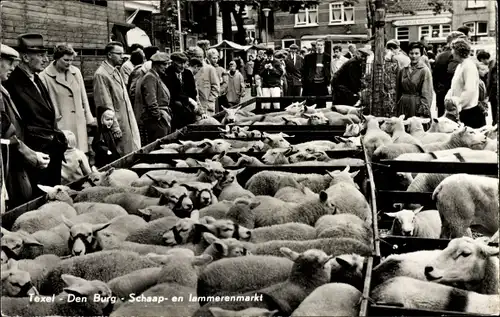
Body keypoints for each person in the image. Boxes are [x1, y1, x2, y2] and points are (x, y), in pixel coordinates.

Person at [5, 33, 67, 192]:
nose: (46, 60)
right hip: (34, 156)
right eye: (40, 55)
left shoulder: (36, 78)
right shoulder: (12, 83)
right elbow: (16, 123)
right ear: (25, 57)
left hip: (49, 152)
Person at [1, 44, 50, 208]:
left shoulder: (3, 90)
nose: (12, 68)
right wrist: (29, 154)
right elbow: (4, 134)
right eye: (9, 63)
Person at [39, 43, 95, 154]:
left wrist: (88, 118)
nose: (69, 63)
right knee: (67, 154)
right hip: (61, 123)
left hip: (78, 121)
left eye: (71, 60)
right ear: (56, 58)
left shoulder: (76, 72)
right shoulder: (44, 76)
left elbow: (84, 96)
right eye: (66, 60)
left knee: (81, 154)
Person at [93, 41, 141, 156]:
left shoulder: (115, 71)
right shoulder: (102, 74)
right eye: (119, 54)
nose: (122, 57)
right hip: (117, 124)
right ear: (109, 55)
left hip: (126, 120)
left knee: (130, 151)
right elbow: (105, 104)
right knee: (120, 155)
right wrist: (114, 126)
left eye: (123, 53)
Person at [445, 38, 484, 128]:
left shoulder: (468, 66)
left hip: (469, 112)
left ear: (458, 51)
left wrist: (458, 102)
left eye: (452, 49)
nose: (451, 52)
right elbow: (455, 86)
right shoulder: (460, 65)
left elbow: (469, 90)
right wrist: (449, 97)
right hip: (462, 110)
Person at [135, 52, 171, 145]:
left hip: (161, 116)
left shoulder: (155, 76)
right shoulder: (150, 77)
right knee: (159, 145)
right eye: (164, 64)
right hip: (155, 120)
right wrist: (158, 116)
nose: (166, 67)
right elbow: (151, 100)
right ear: (156, 65)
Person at [433, 31, 467, 116]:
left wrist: (438, 91)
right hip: (453, 96)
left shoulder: (439, 56)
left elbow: (435, 78)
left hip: (441, 95)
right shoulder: (455, 56)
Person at [395, 42, 433, 119]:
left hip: (416, 105)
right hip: (403, 105)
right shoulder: (403, 70)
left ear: (421, 54)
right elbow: (398, 91)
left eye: (416, 53)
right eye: (411, 53)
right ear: (408, 54)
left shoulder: (424, 70)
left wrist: (423, 111)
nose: (414, 56)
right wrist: (397, 105)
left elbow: (427, 93)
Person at [163, 52, 199, 131]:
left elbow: (193, 91)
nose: (182, 66)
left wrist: (195, 104)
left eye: (184, 63)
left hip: (189, 109)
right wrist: (189, 100)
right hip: (175, 110)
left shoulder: (187, 73)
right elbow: (173, 93)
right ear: (172, 63)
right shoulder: (167, 74)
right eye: (179, 63)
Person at [189, 46, 219, 116]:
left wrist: (210, 100)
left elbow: (216, 87)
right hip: (193, 105)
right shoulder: (188, 70)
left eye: (200, 57)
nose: (199, 59)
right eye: (196, 56)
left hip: (207, 105)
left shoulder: (210, 69)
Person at [301, 38, 331, 108]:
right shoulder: (309, 57)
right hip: (311, 84)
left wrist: (328, 82)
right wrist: (305, 81)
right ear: (316, 46)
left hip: (322, 84)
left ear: (323, 46)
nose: (319, 46)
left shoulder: (327, 57)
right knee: (310, 104)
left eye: (321, 45)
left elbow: (328, 70)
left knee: (322, 104)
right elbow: (304, 71)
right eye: (318, 45)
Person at [487, 59, 497, 125]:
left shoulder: (493, 69)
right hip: (494, 92)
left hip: (494, 92)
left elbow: (490, 81)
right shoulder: (494, 69)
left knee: (494, 111)